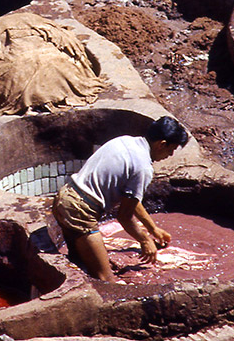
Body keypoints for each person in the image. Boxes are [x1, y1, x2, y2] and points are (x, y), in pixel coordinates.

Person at [51, 116, 189, 283]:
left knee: (79, 262)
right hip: (81, 212)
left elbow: (131, 200)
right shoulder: (143, 168)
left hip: (64, 198)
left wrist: (153, 229)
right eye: (171, 150)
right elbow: (124, 216)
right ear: (162, 144)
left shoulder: (125, 141)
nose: (171, 155)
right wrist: (145, 240)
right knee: (107, 279)